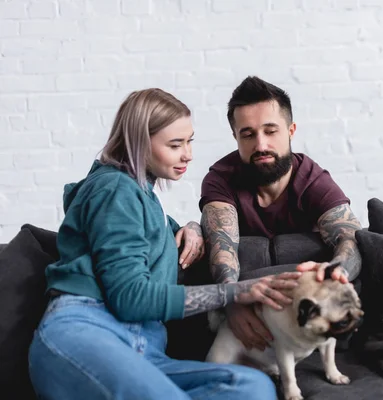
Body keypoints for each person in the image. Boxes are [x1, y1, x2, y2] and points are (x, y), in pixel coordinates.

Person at [27, 88, 302, 400]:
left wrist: (193, 227)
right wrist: (236, 292)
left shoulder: (143, 199)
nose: (188, 154)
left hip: (143, 350)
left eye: (189, 141)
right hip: (87, 331)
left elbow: (164, 231)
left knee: (252, 387)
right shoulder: (114, 190)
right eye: (175, 144)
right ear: (140, 145)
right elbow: (130, 298)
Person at [199, 76, 363, 352]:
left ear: (290, 130)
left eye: (270, 130)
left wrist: (335, 271)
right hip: (250, 307)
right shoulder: (220, 179)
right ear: (235, 137)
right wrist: (232, 304)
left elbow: (352, 238)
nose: (260, 145)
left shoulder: (312, 179)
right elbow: (222, 250)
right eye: (248, 134)